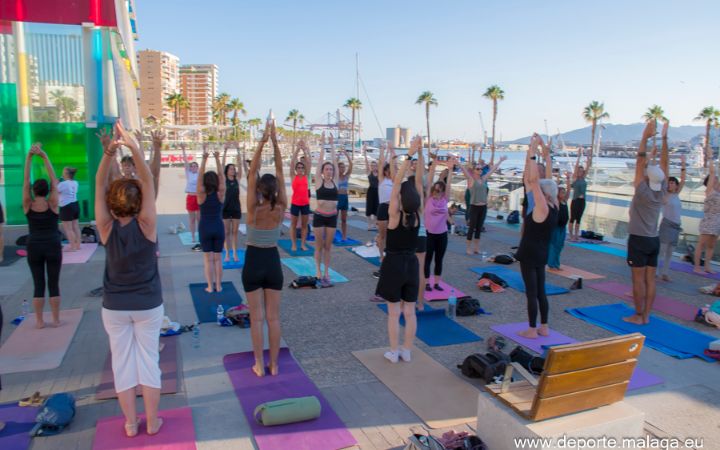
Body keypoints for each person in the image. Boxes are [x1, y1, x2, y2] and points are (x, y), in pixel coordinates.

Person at [95, 120, 164, 437]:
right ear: (138, 202)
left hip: (115, 306)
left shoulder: (107, 228)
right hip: (148, 304)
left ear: (113, 203)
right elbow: (147, 180)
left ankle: (130, 424)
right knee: (148, 361)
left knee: (122, 365)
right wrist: (133, 145)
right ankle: (152, 422)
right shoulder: (147, 224)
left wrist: (109, 153)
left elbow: (98, 185)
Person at [242, 119, 287, 377]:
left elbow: (251, 172)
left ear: (259, 190)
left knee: (257, 319)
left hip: (253, 262)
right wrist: (274, 141)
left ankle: (259, 364)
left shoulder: (253, 210)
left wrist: (261, 142)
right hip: (272, 262)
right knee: (274, 318)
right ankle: (275, 364)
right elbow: (280, 170)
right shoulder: (280, 207)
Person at [375, 137, 423, 362]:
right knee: (410, 311)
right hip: (411, 264)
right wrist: (417, 155)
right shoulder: (417, 215)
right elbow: (419, 184)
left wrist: (410, 155)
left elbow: (395, 185)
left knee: (394, 313)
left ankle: (394, 351)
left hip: (394, 264)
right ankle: (407, 350)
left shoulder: (395, 216)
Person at [624, 121, 667, 325]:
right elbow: (662, 167)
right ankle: (647, 316)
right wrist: (662, 141)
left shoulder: (643, 192)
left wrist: (644, 137)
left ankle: (638, 315)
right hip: (653, 239)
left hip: (639, 240)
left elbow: (640, 163)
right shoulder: (662, 191)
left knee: (638, 280)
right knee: (650, 280)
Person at [516, 135, 558, 339]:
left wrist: (532, 151)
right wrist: (545, 154)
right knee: (541, 290)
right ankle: (544, 326)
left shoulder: (540, 204)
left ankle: (532, 329)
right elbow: (541, 179)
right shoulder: (555, 205)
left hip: (530, 250)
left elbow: (532, 179)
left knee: (531, 292)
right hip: (542, 250)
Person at [23, 143, 62, 328]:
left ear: (33, 190)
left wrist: (29, 158)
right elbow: (55, 182)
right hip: (53, 244)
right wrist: (45, 157)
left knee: (38, 284)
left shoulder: (28, 204)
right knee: (53, 283)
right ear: (47, 191)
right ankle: (55, 319)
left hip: (34, 246)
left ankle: (39, 321)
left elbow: (24, 182)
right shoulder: (53, 204)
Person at [461, 156, 506, 255]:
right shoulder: (471, 180)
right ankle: (468, 248)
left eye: (481, 168)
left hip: (483, 207)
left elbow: (492, 170)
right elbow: (464, 171)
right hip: (474, 207)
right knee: (471, 227)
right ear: (473, 171)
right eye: (477, 169)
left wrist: (500, 161)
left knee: (479, 228)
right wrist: (457, 161)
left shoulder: (484, 179)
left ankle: (476, 248)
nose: (480, 170)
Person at [423, 155, 456, 291]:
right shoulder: (428, 199)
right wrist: (434, 166)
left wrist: (450, 169)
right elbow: (430, 180)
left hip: (442, 234)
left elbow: (448, 184)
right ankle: (426, 283)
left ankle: (436, 283)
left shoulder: (444, 199)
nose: (438, 192)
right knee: (428, 259)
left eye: (440, 190)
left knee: (439, 259)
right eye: (436, 190)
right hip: (429, 233)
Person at [197, 145, 226, 293]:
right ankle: (219, 286)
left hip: (205, 228)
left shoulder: (201, 194)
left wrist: (204, 159)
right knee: (218, 259)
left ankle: (210, 286)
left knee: (208, 260)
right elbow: (222, 177)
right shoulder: (220, 193)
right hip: (218, 227)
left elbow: (199, 179)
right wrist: (217, 159)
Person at [658, 123, 685, 281]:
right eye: (670, 183)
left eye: (673, 183)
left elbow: (684, 179)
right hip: (667, 224)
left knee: (670, 251)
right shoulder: (665, 195)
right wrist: (664, 138)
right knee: (661, 250)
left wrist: (682, 164)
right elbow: (665, 170)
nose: (671, 185)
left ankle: (665, 273)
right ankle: (655, 271)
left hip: (676, 225)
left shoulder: (677, 194)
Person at [313, 134, 340, 285]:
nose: (329, 171)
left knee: (328, 246)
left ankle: (327, 271)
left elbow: (335, 162)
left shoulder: (335, 181)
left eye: (331, 169)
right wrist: (323, 145)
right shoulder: (318, 181)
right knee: (319, 245)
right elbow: (318, 164)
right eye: (327, 169)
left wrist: (332, 145)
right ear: (323, 172)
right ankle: (317, 270)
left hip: (332, 217)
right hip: (319, 216)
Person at [695, 144, 720, 274]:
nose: (716, 179)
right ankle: (697, 266)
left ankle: (707, 267)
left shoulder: (718, 190)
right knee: (702, 244)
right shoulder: (710, 191)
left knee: (711, 245)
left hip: (717, 221)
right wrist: (710, 157)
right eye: (714, 179)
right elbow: (712, 172)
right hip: (709, 219)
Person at [374, 143, 396, 275]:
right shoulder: (382, 180)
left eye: (390, 170)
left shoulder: (394, 181)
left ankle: (389, 256)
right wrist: (383, 150)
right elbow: (381, 163)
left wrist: (392, 152)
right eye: (386, 170)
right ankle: (381, 256)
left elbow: (395, 164)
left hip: (392, 209)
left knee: (391, 236)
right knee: (382, 236)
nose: (388, 171)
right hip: (383, 208)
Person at [222, 143, 243, 263]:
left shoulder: (237, 179)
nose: (233, 170)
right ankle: (227, 254)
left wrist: (238, 150)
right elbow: (221, 166)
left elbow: (240, 165)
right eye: (231, 168)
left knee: (234, 232)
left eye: (234, 169)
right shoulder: (223, 180)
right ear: (226, 171)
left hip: (236, 208)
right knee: (226, 232)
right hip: (225, 208)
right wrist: (225, 151)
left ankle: (235, 253)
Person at [289, 140, 312, 251]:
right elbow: (293, 161)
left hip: (305, 204)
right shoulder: (293, 176)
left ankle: (303, 244)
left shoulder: (306, 176)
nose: (300, 169)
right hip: (295, 203)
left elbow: (309, 162)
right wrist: (297, 149)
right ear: (296, 169)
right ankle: (294, 244)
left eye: (302, 168)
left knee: (304, 225)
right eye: (298, 168)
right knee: (293, 225)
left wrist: (305, 150)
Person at [568, 146, 591, 241]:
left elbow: (588, 166)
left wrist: (588, 156)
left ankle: (576, 235)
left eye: (582, 171)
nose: (581, 172)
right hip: (575, 200)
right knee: (572, 218)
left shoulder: (583, 178)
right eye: (579, 171)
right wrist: (578, 156)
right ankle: (571, 234)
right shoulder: (575, 178)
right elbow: (576, 166)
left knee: (579, 219)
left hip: (582, 201)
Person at [180, 143, 201, 250]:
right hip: (190, 197)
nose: (193, 167)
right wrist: (183, 149)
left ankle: (200, 235)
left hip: (199, 198)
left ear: (198, 167)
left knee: (199, 219)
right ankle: (193, 236)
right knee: (192, 219)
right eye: (192, 166)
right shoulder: (189, 174)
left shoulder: (200, 174)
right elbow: (185, 162)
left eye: (195, 166)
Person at [547, 176, 570, 270]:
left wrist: (568, 181)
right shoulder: (556, 201)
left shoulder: (564, 201)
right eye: (562, 192)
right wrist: (556, 182)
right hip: (556, 227)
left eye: (564, 192)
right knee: (554, 245)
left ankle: (556, 264)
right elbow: (554, 191)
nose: (564, 194)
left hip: (562, 227)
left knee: (560, 245)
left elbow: (569, 192)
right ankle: (551, 264)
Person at [58, 167, 81, 251]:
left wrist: (57, 182)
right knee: (76, 227)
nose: (62, 174)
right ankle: (78, 245)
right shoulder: (75, 182)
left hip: (66, 206)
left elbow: (54, 191)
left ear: (67, 174)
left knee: (68, 229)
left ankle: (73, 247)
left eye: (63, 172)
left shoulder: (63, 184)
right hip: (75, 204)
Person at [337, 149, 354, 241]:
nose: (343, 169)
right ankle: (333, 234)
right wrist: (339, 155)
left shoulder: (346, 176)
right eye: (341, 167)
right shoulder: (335, 176)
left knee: (344, 220)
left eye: (343, 167)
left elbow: (351, 165)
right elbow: (333, 164)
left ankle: (344, 236)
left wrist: (347, 155)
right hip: (337, 198)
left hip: (345, 198)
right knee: (334, 219)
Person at [363, 145, 379, 231]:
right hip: (371, 191)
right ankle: (369, 224)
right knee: (369, 208)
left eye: (375, 165)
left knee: (376, 208)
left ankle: (374, 224)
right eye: (372, 165)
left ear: (377, 166)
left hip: (377, 191)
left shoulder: (380, 173)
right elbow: (366, 162)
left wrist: (386, 152)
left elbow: (384, 162)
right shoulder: (369, 172)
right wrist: (365, 153)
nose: (373, 167)